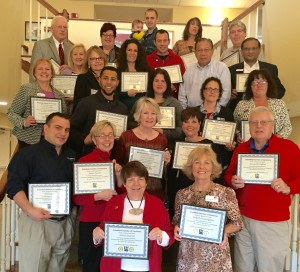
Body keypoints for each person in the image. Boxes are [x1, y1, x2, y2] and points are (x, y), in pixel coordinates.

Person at [224, 106, 300, 272]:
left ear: (272, 125)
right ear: (249, 126)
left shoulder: (289, 148)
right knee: (242, 267)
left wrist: (289, 187)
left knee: (269, 268)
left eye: (263, 122)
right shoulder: (241, 149)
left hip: (272, 222)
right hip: (244, 220)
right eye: (254, 123)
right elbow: (229, 174)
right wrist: (233, 181)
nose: (259, 126)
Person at [6, 112, 76, 272]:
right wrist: (30, 210)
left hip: (64, 224)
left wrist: (72, 213)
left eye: (67, 130)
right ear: (45, 128)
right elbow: (14, 185)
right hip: (37, 222)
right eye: (58, 128)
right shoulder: (27, 154)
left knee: (57, 268)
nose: (63, 133)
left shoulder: (71, 155)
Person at [93, 160, 174, 272]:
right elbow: (103, 229)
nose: (136, 184)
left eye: (140, 179)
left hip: (147, 268)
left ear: (146, 182)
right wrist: (97, 235)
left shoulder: (157, 204)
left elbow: (169, 234)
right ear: (124, 183)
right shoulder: (113, 203)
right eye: (131, 180)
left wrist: (161, 236)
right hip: (116, 267)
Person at [173, 146, 243, 271]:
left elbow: (237, 223)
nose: (201, 167)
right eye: (197, 162)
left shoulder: (225, 193)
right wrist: (176, 229)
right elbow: (176, 222)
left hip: (216, 256)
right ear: (191, 166)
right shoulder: (182, 194)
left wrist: (224, 232)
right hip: (189, 257)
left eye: (207, 163)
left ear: (213, 167)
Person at [73, 120, 123, 272]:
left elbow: (122, 196)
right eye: (102, 135)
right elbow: (76, 198)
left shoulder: (114, 163)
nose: (107, 139)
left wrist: (119, 175)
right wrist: (98, 196)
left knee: (110, 266)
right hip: (91, 221)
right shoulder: (84, 162)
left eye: (110, 135)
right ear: (94, 139)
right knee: (91, 265)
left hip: (112, 221)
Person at [167, 107, 222, 219]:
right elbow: (171, 175)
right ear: (182, 125)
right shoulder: (177, 145)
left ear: (200, 124)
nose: (189, 125)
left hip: (204, 193)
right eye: (186, 122)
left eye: (194, 121)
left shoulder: (210, 145)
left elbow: (217, 173)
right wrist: (167, 163)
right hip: (180, 193)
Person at [113, 97, 171, 200]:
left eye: (153, 113)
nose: (150, 117)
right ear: (139, 115)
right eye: (145, 113)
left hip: (155, 193)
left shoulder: (162, 139)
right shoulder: (126, 137)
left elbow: (163, 172)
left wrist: (166, 162)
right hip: (131, 191)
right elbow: (118, 165)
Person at [7, 58, 67, 149]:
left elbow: (63, 119)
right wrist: (24, 122)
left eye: (47, 69)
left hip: (52, 140)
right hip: (29, 139)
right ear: (34, 73)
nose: (44, 71)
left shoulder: (60, 96)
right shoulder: (26, 89)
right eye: (40, 69)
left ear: (52, 73)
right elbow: (11, 113)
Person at [70, 66, 127, 157]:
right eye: (105, 78)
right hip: (90, 158)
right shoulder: (86, 103)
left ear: (117, 83)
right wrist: (84, 140)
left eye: (113, 79)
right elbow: (71, 128)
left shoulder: (122, 108)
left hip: (114, 159)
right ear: (99, 80)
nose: (109, 82)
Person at [228, 37, 285, 111]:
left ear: (259, 50)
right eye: (246, 49)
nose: (250, 52)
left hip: (265, 110)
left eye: (254, 48)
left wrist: (266, 95)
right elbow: (225, 91)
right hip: (239, 111)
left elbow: (280, 90)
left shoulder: (270, 69)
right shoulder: (231, 70)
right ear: (241, 51)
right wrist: (229, 94)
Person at [233, 69, 292, 139]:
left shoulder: (279, 104)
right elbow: (235, 125)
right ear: (250, 86)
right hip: (249, 147)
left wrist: (277, 139)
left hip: (275, 146)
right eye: (255, 82)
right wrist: (239, 135)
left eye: (263, 81)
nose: (259, 85)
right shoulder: (241, 105)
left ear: (268, 84)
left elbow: (287, 127)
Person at [178, 38, 231, 109]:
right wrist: (185, 112)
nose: (203, 53)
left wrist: (215, 111)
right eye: (199, 50)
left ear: (212, 51)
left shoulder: (222, 68)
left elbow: (225, 94)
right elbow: (182, 95)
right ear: (195, 52)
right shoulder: (189, 71)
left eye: (206, 50)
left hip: (214, 114)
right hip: (192, 113)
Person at [196, 77, 236, 169]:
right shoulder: (194, 112)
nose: (212, 92)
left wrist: (230, 146)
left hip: (220, 162)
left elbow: (231, 138)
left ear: (219, 93)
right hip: (198, 160)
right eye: (209, 88)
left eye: (215, 89)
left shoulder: (227, 112)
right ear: (203, 91)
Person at [144, 68, 183, 147]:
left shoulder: (175, 104)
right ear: (151, 83)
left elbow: (182, 130)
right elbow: (131, 123)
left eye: (163, 81)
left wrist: (163, 132)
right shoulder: (142, 102)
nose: (159, 84)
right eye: (156, 81)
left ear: (167, 84)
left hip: (167, 146)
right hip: (145, 145)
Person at [29, 15, 73, 82]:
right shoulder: (40, 45)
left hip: (66, 88)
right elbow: (33, 72)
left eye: (65, 27)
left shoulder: (70, 47)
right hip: (45, 89)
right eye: (59, 27)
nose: (62, 30)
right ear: (52, 29)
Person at [147, 29, 186, 99]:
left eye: (165, 40)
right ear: (154, 42)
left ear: (169, 41)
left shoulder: (178, 60)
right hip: (153, 100)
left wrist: (175, 88)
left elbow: (184, 81)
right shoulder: (147, 60)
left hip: (173, 100)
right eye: (159, 41)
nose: (162, 44)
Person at [117, 39, 151, 112]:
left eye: (135, 51)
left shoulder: (145, 72)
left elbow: (150, 92)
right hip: (122, 110)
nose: (132, 53)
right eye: (129, 50)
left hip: (141, 111)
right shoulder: (118, 72)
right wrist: (126, 94)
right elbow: (114, 94)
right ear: (124, 52)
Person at [72, 45, 107, 113]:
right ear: (88, 62)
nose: (97, 61)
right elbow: (78, 103)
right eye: (93, 59)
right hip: (89, 115)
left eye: (100, 58)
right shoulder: (82, 79)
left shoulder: (110, 78)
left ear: (104, 60)